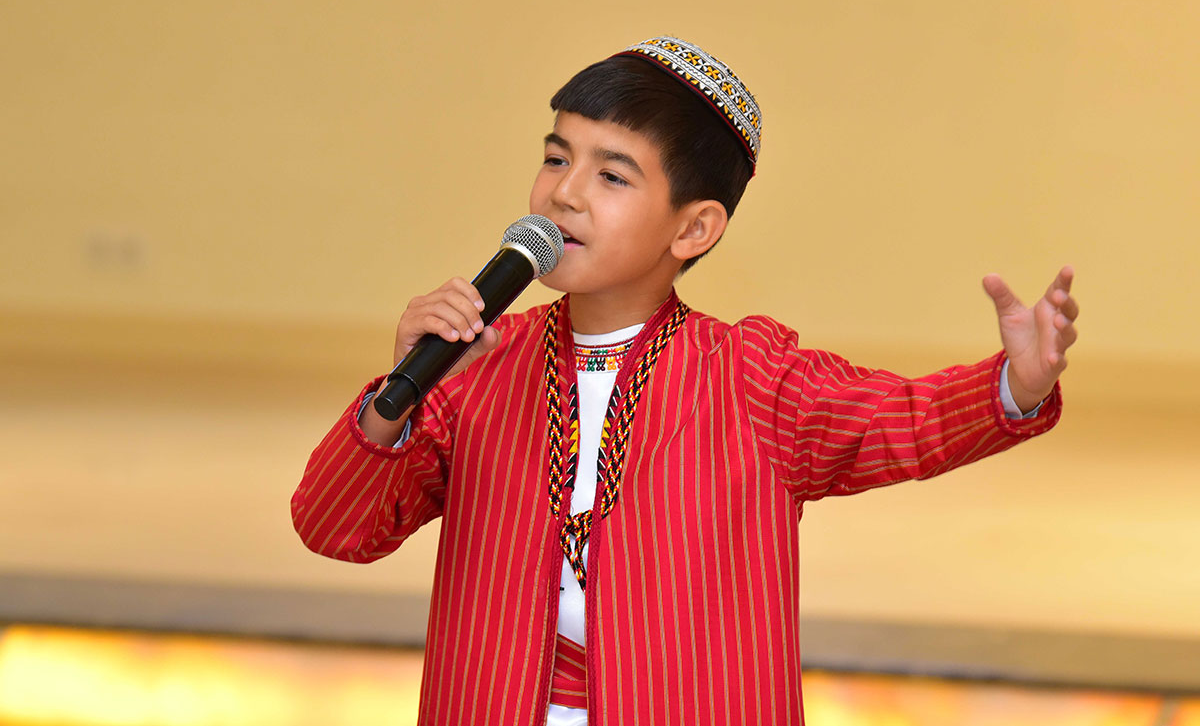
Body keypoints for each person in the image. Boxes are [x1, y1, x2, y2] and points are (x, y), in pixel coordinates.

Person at [290, 36, 1079, 726]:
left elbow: (899, 419)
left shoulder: (751, 377)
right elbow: (333, 527)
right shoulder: (479, 364)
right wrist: (400, 391)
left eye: (612, 176)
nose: (564, 192)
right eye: (557, 157)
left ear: (695, 227)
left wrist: (1017, 380)